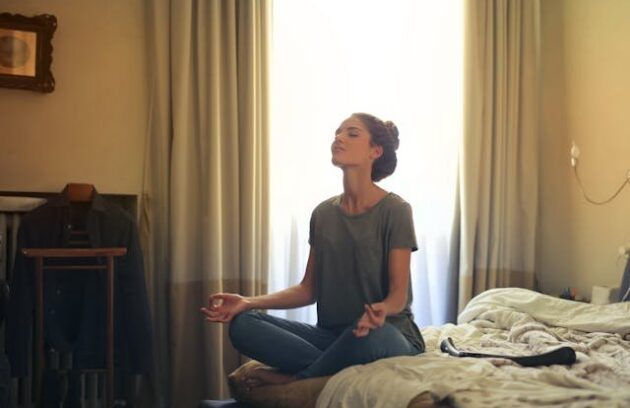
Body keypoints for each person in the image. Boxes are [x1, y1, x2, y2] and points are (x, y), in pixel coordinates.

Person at [201, 112, 424, 387]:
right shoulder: (323, 214)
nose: (339, 138)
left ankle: (295, 380)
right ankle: (325, 369)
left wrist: (383, 308)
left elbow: (399, 295)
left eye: (352, 133)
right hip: (331, 338)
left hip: (385, 333)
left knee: (371, 336)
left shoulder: (396, 210)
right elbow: (308, 290)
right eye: (337, 132)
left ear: (375, 151)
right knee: (244, 325)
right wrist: (248, 302)